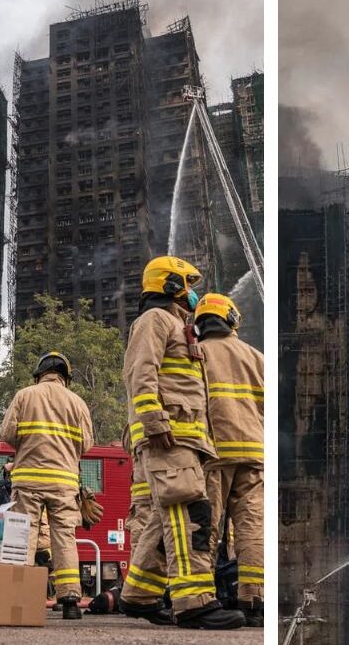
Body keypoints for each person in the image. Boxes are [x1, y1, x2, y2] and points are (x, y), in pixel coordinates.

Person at [119, 257, 244, 630]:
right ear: (170, 284)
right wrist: (154, 421)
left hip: (185, 437)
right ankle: (195, 603)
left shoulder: (177, 325)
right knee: (190, 514)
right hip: (169, 435)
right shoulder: (155, 320)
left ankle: (139, 596)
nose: (192, 294)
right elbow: (141, 372)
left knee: (164, 519)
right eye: (187, 284)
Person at [0, 352, 93, 620]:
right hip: (64, 482)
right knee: (64, 538)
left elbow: (7, 434)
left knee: (24, 534)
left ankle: (19, 597)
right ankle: (70, 601)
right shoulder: (77, 402)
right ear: (66, 377)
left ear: (38, 374)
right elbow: (86, 444)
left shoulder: (24, 396)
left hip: (28, 479)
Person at [194, 294, 265, 627]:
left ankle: (204, 599)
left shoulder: (196, 354)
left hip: (213, 454)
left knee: (206, 526)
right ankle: (253, 600)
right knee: (252, 529)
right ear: (232, 319)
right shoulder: (256, 357)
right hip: (253, 454)